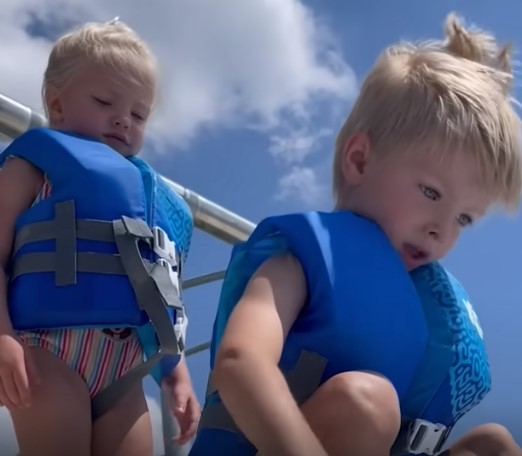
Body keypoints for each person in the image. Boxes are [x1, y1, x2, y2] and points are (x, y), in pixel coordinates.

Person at [189, 13, 522, 456]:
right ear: (360, 161)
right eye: (430, 192)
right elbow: (240, 362)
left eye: (464, 219)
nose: (441, 228)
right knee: (367, 403)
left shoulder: (417, 299)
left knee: (493, 445)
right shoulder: (298, 262)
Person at [0, 20, 199, 456]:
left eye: (139, 114)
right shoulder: (33, 165)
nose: (123, 119)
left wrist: (174, 372)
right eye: (105, 101)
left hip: (124, 376)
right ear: (57, 104)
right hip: (47, 353)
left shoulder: (153, 203)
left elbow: (157, 288)